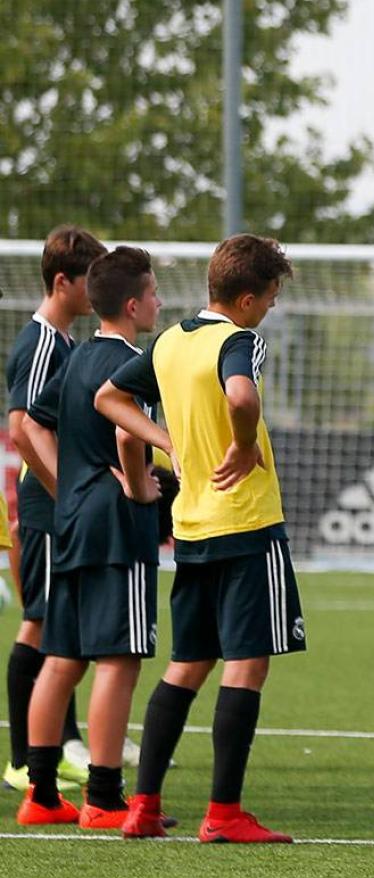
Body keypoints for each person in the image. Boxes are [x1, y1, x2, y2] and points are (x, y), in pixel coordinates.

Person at [97, 234, 304, 843]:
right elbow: (241, 395)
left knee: (187, 666)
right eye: (268, 297)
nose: (268, 308)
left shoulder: (171, 340)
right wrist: (242, 445)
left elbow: (108, 398)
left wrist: (167, 444)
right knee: (248, 664)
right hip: (246, 523)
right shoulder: (239, 340)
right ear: (245, 297)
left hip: (191, 525)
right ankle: (224, 813)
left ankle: (142, 807)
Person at [12, 247, 162, 828]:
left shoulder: (75, 359)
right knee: (119, 660)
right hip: (114, 525)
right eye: (152, 293)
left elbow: (27, 424)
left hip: (70, 519)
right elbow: (126, 436)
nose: (159, 301)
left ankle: (42, 795)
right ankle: (103, 797)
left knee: (62, 656)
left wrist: (67, 484)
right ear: (131, 304)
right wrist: (138, 486)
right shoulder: (130, 363)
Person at [5, 225, 105, 793]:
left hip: (54, 503)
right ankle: (21, 759)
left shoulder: (64, 341)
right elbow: (22, 429)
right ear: (61, 281)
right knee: (39, 623)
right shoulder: (43, 343)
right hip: (47, 507)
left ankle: (59, 745)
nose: (95, 291)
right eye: (87, 280)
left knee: (60, 624)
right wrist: (69, 494)